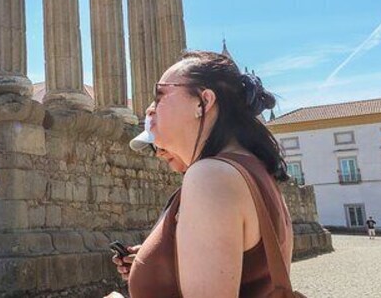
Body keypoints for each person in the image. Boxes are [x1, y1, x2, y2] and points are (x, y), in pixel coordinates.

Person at [109, 51, 293, 298]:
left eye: (160, 96)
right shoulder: (250, 170)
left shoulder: (210, 176)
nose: (149, 112)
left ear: (203, 102)